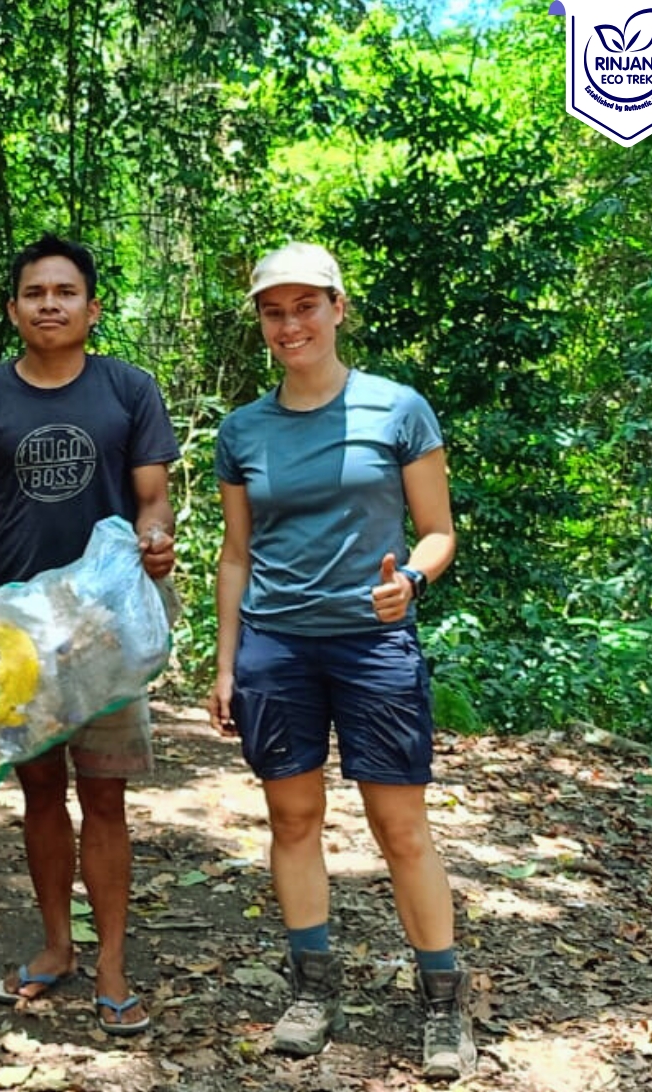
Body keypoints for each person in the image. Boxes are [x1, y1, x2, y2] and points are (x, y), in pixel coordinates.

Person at [206, 242, 474, 1078]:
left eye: (305, 307)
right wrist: (225, 664)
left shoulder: (397, 409)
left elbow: (438, 530)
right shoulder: (242, 430)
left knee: (401, 828)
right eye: (272, 311)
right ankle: (312, 989)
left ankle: (443, 1002)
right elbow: (236, 555)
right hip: (276, 645)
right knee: (292, 821)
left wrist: (414, 582)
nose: (290, 326)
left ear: (337, 308)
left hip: (372, 645)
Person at [0, 233, 178, 1036]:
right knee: (39, 793)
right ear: (13, 309)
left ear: (92, 308)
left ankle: (113, 966)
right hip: (17, 633)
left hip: (105, 626)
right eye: (35, 293)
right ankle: (56, 946)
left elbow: (152, 502)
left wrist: (157, 540)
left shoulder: (128, 391)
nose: (50, 304)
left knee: (105, 796)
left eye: (66, 292)